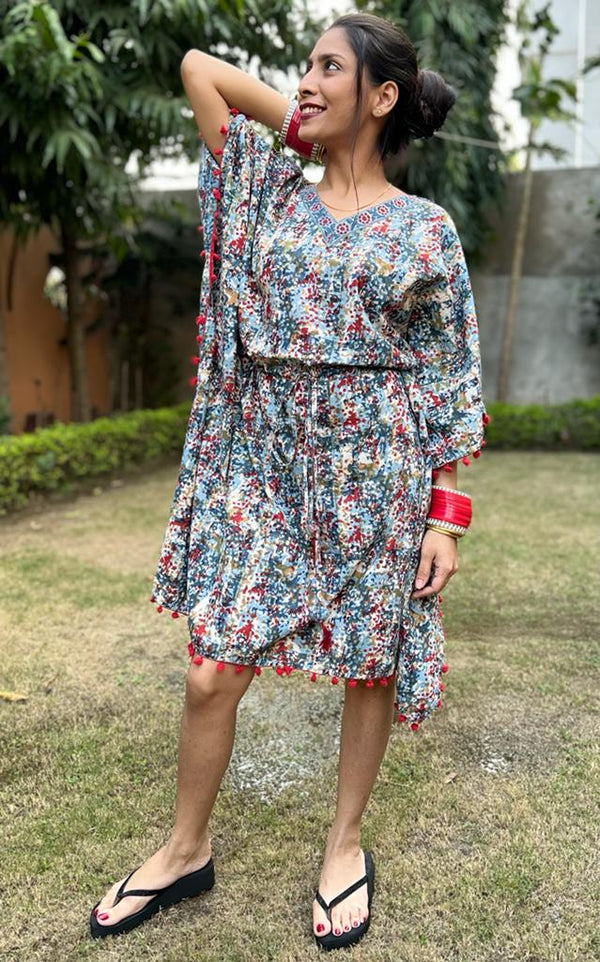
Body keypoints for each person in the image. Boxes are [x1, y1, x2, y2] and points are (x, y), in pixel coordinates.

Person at [89, 11, 488, 951]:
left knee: (368, 664)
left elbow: (448, 379)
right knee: (210, 669)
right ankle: (186, 849)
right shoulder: (268, 189)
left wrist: (445, 518)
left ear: (383, 96)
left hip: (377, 471)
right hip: (262, 467)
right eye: (304, 65)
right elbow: (201, 69)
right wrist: (311, 123)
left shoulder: (425, 231)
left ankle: (343, 844)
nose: (304, 80)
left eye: (329, 68)